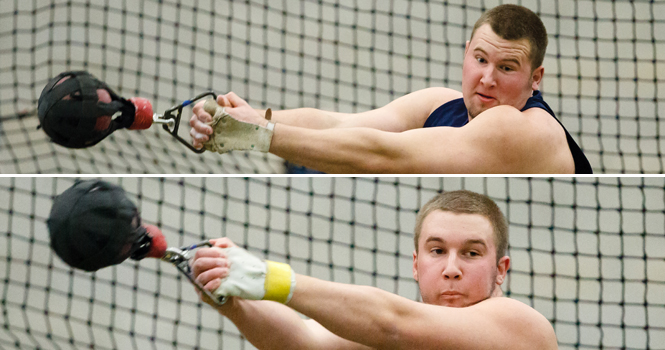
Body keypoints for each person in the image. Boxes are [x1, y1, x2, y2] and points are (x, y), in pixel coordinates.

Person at [189, 4, 592, 174]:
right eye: (481, 60)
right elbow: (338, 124)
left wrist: (258, 135)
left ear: (535, 78)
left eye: (507, 68)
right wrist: (251, 117)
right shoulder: (440, 102)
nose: (487, 79)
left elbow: (383, 153)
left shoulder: (522, 129)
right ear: (466, 52)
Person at [191, 190, 559, 349]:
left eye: (471, 253)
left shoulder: (523, 329)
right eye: (436, 250)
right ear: (416, 264)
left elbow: (391, 323)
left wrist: (265, 277)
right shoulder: (403, 338)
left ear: (501, 269)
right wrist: (232, 301)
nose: (451, 269)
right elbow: (303, 342)